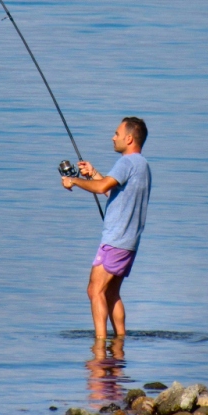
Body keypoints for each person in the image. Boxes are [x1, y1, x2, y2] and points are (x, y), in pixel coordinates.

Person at [61, 117, 151, 339]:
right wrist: (92, 174)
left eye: (117, 134)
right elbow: (113, 191)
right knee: (111, 293)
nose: (113, 137)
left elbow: (102, 187)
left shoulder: (126, 163)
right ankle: (120, 341)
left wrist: (73, 181)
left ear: (129, 138)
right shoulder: (142, 165)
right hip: (129, 242)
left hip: (115, 240)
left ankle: (100, 346)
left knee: (95, 290)